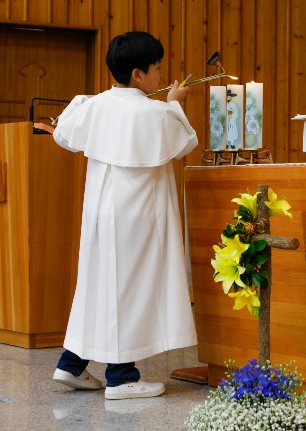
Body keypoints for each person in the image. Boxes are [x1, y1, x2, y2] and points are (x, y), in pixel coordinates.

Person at [51, 31, 198, 400]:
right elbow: (185, 142)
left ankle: (71, 363)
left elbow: (64, 134)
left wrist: (95, 103)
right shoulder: (155, 112)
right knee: (129, 289)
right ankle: (121, 377)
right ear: (138, 74)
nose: (161, 75)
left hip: (99, 214)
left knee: (99, 284)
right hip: (139, 217)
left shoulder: (96, 105)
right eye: (157, 68)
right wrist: (174, 103)